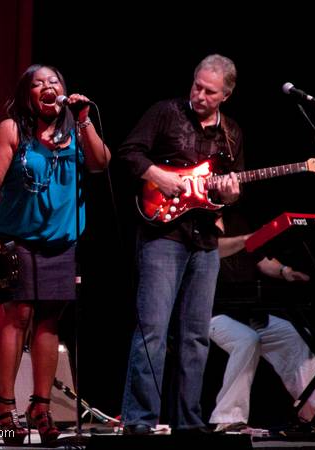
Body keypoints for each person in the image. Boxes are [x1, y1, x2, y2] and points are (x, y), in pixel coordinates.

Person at [0, 64, 110, 445]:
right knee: (19, 314)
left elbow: (101, 163)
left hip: (61, 240)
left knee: (50, 320)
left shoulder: (75, 131)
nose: (48, 87)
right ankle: (4, 406)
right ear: (26, 95)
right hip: (19, 238)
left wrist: (84, 122)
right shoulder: (12, 130)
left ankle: (41, 406)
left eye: (55, 82)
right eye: (39, 84)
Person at [117, 54, 244, 435]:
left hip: (204, 240)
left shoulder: (232, 133)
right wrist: (159, 175)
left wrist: (230, 195)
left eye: (210, 91)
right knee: (152, 331)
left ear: (226, 95)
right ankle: (139, 420)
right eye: (197, 86)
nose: (200, 94)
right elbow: (128, 153)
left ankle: (189, 422)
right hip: (162, 236)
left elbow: (229, 192)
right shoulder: (165, 113)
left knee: (195, 337)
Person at [208, 207, 315, 433]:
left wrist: (285, 271)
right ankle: (228, 419)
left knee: (296, 336)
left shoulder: (237, 219)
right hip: (211, 313)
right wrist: (244, 239)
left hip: (249, 312)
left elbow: (260, 259)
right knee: (246, 340)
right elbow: (215, 249)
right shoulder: (197, 222)